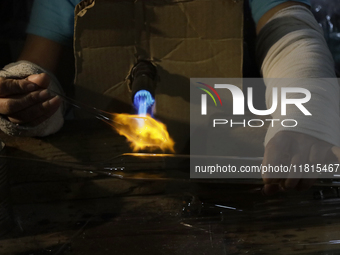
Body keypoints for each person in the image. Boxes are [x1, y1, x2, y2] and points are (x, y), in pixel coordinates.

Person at [0, 0, 338, 194]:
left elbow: (287, 27)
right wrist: (24, 101)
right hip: (105, 181)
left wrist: (306, 107)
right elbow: (39, 74)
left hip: (235, 170)